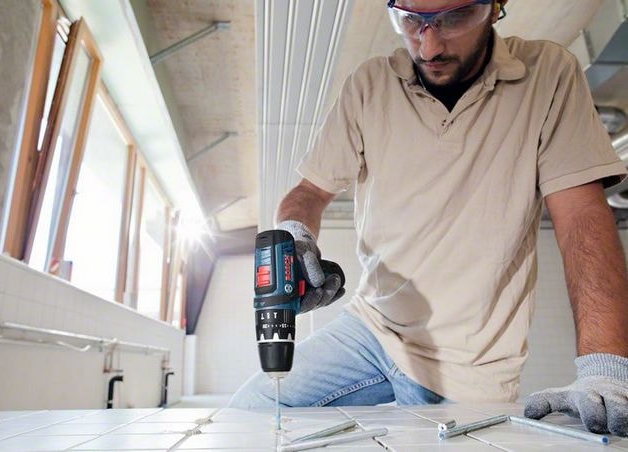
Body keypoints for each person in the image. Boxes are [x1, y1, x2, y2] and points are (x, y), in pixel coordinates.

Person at [230, 0, 628, 437]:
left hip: (471, 364)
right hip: (373, 327)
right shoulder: (369, 84)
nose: (429, 46)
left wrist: (604, 368)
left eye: (453, 18)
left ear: (495, 7)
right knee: (249, 414)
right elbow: (310, 191)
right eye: (410, 19)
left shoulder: (547, 75)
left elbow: (582, 219)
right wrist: (295, 234)